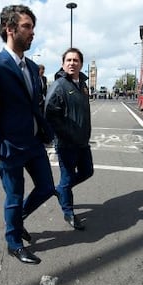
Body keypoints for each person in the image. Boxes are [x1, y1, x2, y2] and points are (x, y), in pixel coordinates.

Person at [0, 5, 56, 265]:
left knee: (46, 188)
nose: (32, 33)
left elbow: (35, 105)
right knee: (14, 197)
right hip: (10, 146)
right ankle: (14, 243)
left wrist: (46, 132)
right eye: (27, 27)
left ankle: (16, 221)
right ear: (10, 29)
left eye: (33, 27)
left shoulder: (32, 67)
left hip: (33, 143)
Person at [45, 47, 94, 231]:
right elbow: (50, 114)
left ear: (81, 64)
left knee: (87, 171)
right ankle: (68, 212)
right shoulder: (59, 85)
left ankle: (61, 190)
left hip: (82, 141)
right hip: (66, 143)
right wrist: (66, 134)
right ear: (63, 64)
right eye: (69, 60)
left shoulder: (82, 84)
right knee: (67, 178)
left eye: (76, 60)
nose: (72, 63)